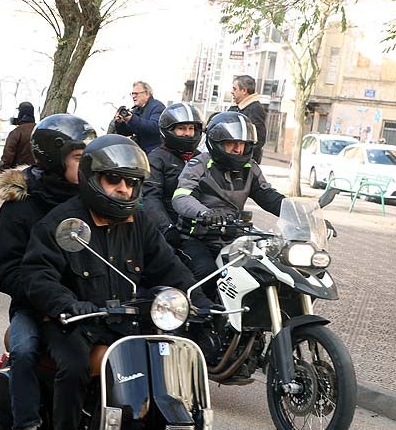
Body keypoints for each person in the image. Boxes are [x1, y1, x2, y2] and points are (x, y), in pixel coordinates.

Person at [20, 134, 209, 430]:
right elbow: (36, 274)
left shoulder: (139, 223)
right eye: (114, 180)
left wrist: (196, 299)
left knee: (167, 363)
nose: (124, 190)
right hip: (74, 324)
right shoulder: (65, 223)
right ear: (93, 178)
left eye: (132, 182)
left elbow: (169, 267)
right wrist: (66, 303)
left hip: (125, 323)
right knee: (74, 366)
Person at [0, 114, 94, 430]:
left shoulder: (91, 201)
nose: (89, 166)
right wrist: (50, 300)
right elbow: (7, 271)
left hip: (87, 308)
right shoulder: (22, 206)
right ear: (54, 158)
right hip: (33, 308)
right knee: (25, 350)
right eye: (80, 157)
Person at [172, 111, 285, 282]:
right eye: (231, 143)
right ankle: (197, 307)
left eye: (242, 143)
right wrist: (205, 213)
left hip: (234, 239)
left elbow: (269, 197)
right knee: (206, 273)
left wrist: (303, 215)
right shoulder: (199, 164)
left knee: (264, 272)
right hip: (195, 239)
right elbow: (181, 197)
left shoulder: (250, 168)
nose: (238, 149)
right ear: (216, 142)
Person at [141, 102, 205, 248]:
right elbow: (150, 197)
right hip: (172, 232)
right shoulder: (157, 158)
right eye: (181, 128)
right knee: (203, 269)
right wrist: (168, 228)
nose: (188, 133)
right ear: (168, 130)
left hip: (200, 230)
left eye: (191, 128)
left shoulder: (201, 158)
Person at [110, 80, 165, 154]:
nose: (133, 96)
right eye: (132, 94)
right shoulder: (136, 110)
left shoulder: (157, 106)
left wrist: (132, 119)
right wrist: (120, 123)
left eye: (136, 93)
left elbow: (154, 127)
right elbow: (126, 132)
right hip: (141, 153)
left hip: (155, 152)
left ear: (147, 94)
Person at [229, 75, 267, 163]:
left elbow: (259, 139)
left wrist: (243, 156)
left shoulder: (255, 109)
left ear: (244, 91)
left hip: (244, 162)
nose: (232, 92)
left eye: (235, 89)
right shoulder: (236, 108)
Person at [0, 101, 36, 169]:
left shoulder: (17, 132)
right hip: (38, 175)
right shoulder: (40, 130)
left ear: (20, 114)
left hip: (19, 175)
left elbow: (8, 156)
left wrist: (4, 171)